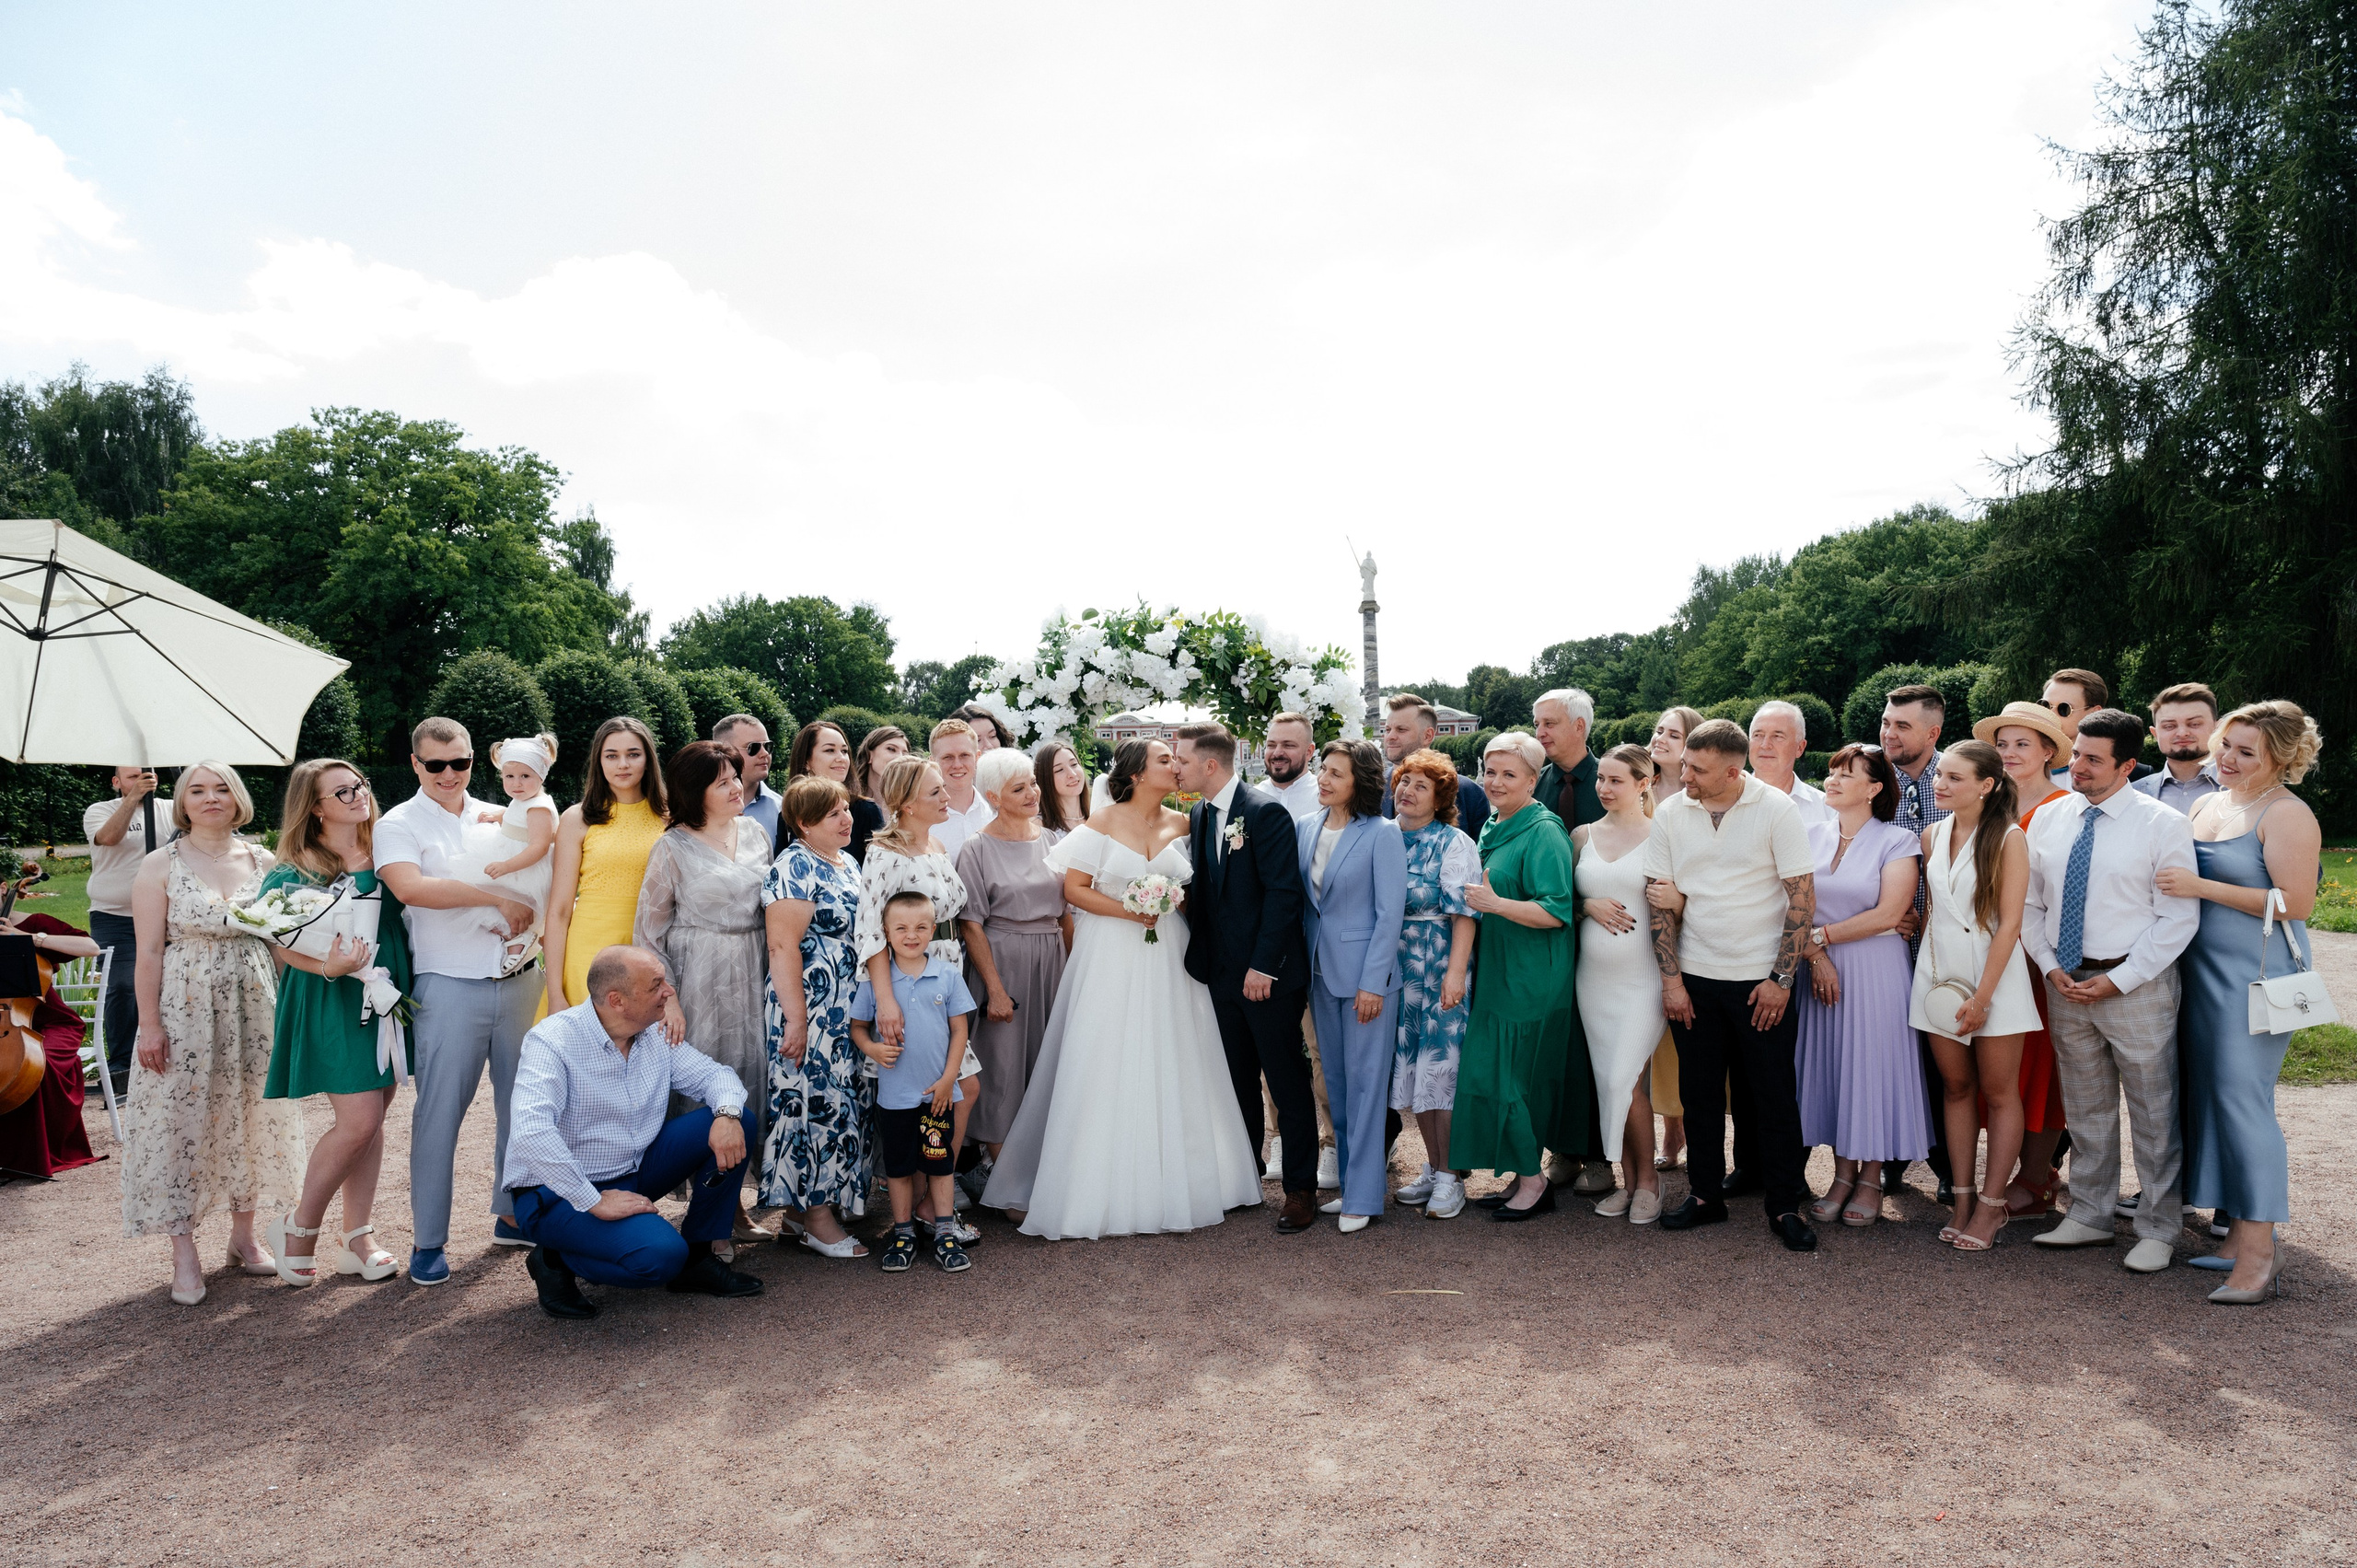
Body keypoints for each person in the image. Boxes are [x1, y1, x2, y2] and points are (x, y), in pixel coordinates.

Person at [982, 738, 1262, 1237]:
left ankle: (1190, 1178)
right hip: (1112, 949)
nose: (1175, 767)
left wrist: (1170, 905)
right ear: (1135, 774)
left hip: (1172, 951)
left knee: (1178, 1053)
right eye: (1164, 761)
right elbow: (1074, 889)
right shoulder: (1102, 823)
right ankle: (1097, 1183)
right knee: (1108, 1055)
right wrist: (1131, 910)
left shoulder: (1186, 821)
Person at [119, 763, 303, 1306]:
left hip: (255, 1004)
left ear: (238, 797)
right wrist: (149, 1025)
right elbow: (148, 951)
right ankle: (184, 1251)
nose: (210, 798)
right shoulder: (159, 865)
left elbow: (281, 942)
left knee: (249, 1111)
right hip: (184, 1008)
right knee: (181, 1119)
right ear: (182, 803)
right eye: (197, 790)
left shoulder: (265, 860)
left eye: (222, 788)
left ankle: (243, 1237)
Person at [2157, 701, 2323, 1304]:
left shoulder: (2288, 814)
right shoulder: (2207, 804)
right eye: (2226, 743)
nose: (2226, 757)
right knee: (2210, 1099)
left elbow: (2296, 902)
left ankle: (2258, 1254)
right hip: (2199, 973)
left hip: (2254, 977)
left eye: (2245, 751)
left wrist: (2201, 886)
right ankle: (2231, 1242)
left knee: (2242, 1103)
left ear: (2280, 758)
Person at [2023, 708, 2200, 1274]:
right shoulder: (2051, 819)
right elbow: (2032, 905)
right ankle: (2091, 1214)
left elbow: (2178, 920)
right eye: (2075, 754)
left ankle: (2158, 1226)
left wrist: (2118, 980)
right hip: (2067, 981)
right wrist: (2051, 968)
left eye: (2093, 760)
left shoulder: (2162, 824)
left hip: (2136, 983)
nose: (2077, 766)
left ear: (2127, 765)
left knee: (2153, 1107)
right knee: (2086, 1104)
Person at [375, 717, 548, 1284]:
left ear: (478, 761)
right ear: (415, 764)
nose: (450, 775)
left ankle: (511, 1211)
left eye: (462, 763)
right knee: (439, 1114)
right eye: (436, 765)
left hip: (519, 977)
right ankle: (429, 1241)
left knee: (521, 1107)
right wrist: (497, 896)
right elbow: (411, 888)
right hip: (448, 984)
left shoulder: (501, 812)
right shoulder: (399, 822)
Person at [503, 946, 763, 1318]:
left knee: (737, 1120)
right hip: (557, 1194)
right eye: (656, 985)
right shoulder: (553, 1041)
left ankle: (698, 1257)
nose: (669, 992)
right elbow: (531, 1132)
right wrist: (592, 1200)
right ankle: (554, 1259)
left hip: (632, 1171)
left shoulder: (652, 1034)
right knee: (659, 1257)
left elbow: (714, 1075)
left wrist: (726, 1113)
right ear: (617, 1000)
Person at [1644, 718, 1818, 1250]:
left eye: (1697, 769)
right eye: (1685, 765)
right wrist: (1672, 981)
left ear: (1732, 769)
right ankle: (1703, 1196)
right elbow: (1659, 898)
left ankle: (1784, 1204)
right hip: (1695, 978)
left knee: (1773, 1097)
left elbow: (1801, 899)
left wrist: (1781, 980)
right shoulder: (1672, 811)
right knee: (1698, 1093)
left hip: (1760, 982)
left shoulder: (1776, 809)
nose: (1684, 774)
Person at [257, 759, 412, 1286]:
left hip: (386, 988)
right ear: (315, 807)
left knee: (373, 1116)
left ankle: (357, 1237)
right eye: (342, 792)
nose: (357, 796)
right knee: (359, 1120)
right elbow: (277, 937)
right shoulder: (294, 868)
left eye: (360, 785)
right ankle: (298, 1227)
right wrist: (329, 965)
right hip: (331, 993)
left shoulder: (386, 848)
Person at [1167, 722, 1320, 1227]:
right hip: (1220, 976)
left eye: (1182, 761)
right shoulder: (1199, 812)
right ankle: (1245, 1176)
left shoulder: (1264, 812)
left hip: (1267, 977)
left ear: (1210, 765)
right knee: (1235, 1082)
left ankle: (1301, 1190)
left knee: (1286, 1082)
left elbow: (1283, 894)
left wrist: (1263, 966)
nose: (1176, 768)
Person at [633, 739, 772, 1244]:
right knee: (706, 1092)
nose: (737, 787)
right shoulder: (672, 846)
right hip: (698, 977)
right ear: (696, 792)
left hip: (753, 967)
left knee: (752, 1080)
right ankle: (711, 1223)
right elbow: (648, 933)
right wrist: (666, 998)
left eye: (736, 777)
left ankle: (734, 1208)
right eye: (723, 782)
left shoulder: (757, 833)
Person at [1910, 741, 2038, 1251]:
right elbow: (1933, 913)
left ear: (1986, 785)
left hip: (1995, 981)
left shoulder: (2009, 838)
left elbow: (2010, 926)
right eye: (1941, 775)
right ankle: (1962, 1198)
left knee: (2000, 1093)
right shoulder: (1931, 835)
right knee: (1956, 1088)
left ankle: (1991, 1207)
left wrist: (1983, 998)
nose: (1940, 784)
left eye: (1954, 778)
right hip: (1938, 979)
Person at [1794, 744, 1927, 1228]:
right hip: (1818, 969)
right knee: (1831, 1069)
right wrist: (1815, 953)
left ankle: (1871, 1177)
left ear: (1874, 788)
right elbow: (1789, 904)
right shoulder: (1808, 834)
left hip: (1875, 971)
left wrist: (1820, 935)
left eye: (1846, 774)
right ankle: (1841, 1174)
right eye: (1831, 772)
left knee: (1870, 1069)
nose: (1832, 780)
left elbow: (1891, 914)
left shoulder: (1897, 839)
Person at [1453, 732, 1582, 1222]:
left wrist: (1496, 905)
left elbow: (1557, 910)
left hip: (1531, 974)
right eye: (1490, 770)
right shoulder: (1492, 824)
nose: (1496, 781)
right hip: (1497, 969)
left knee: (1508, 1078)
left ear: (1533, 780)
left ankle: (1534, 1182)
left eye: (1510, 774)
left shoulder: (1544, 831)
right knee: (1496, 1074)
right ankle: (1520, 1171)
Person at [855, 755, 979, 1237]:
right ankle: (927, 1206)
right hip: (908, 982)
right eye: (934, 792)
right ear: (905, 803)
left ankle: (932, 1204)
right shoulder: (885, 854)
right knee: (957, 1088)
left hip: (946, 969)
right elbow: (871, 932)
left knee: (954, 1088)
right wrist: (885, 1000)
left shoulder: (938, 846)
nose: (946, 796)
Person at [1295, 739, 1406, 1233]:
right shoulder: (1306, 827)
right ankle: (1348, 1184)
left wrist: (1374, 982)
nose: (1323, 779)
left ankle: (1364, 1196)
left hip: (1366, 980)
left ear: (1359, 782)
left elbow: (1390, 914)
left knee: (1365, 1087)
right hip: (1318, 974)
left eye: (1335, 774)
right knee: (1336, 1085)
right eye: (1323, 770)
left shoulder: (1382, 833)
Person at [758, 775, 871, 1259]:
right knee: (813, 1103)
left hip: (846, 1005)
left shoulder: (844, 860)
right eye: (834, 814)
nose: (847, 819)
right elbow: (782, 946)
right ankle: (817, 1218)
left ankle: (799, 1213)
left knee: (845, 1102)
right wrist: (797, 1021)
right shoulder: (795, 865)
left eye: (846, 809)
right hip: (810, 1004)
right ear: (804, 823)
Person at [1972, 700, 2076, 1218]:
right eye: (2002, 744)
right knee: (1993, 1070)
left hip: (2036, 955)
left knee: (2040, 1067)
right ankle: (1996, 1173)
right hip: (1983, 950)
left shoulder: (2066, 806)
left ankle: (2036, 1176)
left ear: (2049, 751)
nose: (2009, 754)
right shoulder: (1986, 803)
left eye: (2022, 744)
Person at [955, 749, 1073, 1196]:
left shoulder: (1052, 841)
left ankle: (1042, 1175)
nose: (1032, 793)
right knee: (1002, 1073)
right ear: (993, 796)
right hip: (1002, 963)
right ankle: (1008, 1187)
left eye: (1033, 784)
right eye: (1018, 788)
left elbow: (1066, 915)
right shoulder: (976, 848)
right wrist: (995, 991)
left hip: (1051, 962)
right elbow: (971, 924)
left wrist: (1073, 972)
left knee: (1046, 1065)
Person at [852, 892, 979, 1273]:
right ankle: (903, 1231)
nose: (912, 935)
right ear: (886, 933)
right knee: (900, 1168)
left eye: (921, 927)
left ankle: (944, 1233)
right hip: (895, 1097)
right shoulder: (876, 982)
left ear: (933, 930)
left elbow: (960, 1032)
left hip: (939, 1096)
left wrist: (947, 1080)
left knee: (941, 1166)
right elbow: (858, 1028)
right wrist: (872, 1049)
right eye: (901, 928)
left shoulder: (947, 975)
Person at [1572, 744, 1666, 1222]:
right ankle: (1629, 1184)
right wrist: (1586, 905)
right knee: (1610, 1082)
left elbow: (1680, 905)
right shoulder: (1582, 835)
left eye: (1617, 781)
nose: (1604, 789)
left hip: (1643, 978)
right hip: (1592, 981)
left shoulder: (1663, 835)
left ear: (1644, 783)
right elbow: (1562, 898)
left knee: (1626, 1079)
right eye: (1601, 779)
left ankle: (1649, 1182)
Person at [1386, 749, 1480, 1220]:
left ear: (1440, 797)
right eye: (1405, 781)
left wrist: (1456, 973)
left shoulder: (1453, 842)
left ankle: (1451, 1177)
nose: (1408, 791)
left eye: (1421, 785)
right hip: (1395, 968)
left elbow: (1464, 912)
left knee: (1442, 1071)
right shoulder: (1384, 837)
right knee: (1412, 1072)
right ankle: (1434, 1164)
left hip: (1439, 959)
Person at [544, 716, 670, 1017]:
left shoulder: (670, 817)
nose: (623, 764)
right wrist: (554, 994)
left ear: (648, 759)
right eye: (611, 756)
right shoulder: (577, 818)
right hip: (588, 951)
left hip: (651, 947)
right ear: (598, 761)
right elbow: (560, 911)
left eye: (633, 754)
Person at [1880, 681, 1951, 1197]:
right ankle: (1891, 1158)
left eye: (1902, 725)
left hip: (1945, 944)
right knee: (1889, 1052)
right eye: (1886, 722)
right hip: (1883, 946)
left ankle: (1950, 1171)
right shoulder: (1871, 778)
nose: (1889, 733)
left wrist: (1921, 912)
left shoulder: (1958, 779)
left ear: (1933, 731)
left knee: (1941, 1060)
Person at [0, 909, 104, 1179]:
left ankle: (34, 1155)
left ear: (2, 889)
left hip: (53, 1024)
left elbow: (90, 947)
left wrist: (29, 938)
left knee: (36, 1061)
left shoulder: (32, 923)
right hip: (6, 1025)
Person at [1644, 707, 1704, 1168]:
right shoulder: (1636, 786)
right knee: (1657, 1039)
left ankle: (1692, 1129)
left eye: (1674, 733)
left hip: (1694, 928)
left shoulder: (1700, 795)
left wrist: (1681, 900)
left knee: (1691, 1033)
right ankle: (1670, 1129)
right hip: (1641, 928)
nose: (1661, 738)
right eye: (1659, 731)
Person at [85, 763, 164, 1090]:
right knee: (121, 986)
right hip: (114, 916)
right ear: (117, 782)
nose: (144, 780)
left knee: (167, 986)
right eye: (133, 776)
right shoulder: (99, 811)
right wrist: (132, 800)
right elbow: (108, 838)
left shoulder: (172, 810)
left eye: (147, 774)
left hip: (162, 915)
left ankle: (161, 1059)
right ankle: (119, 1069)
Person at [465, 734, 561, 974]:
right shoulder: (525, 800)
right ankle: (512, 938)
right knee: (485, 890)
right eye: (509, 777)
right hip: (513, 854)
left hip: (526, 866)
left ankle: (518, 941)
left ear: (541, 775)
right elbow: (515, 814)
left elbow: (538, 846)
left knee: (518, 901)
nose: (516, 783)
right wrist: (498, 817)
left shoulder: (539, 807)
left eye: (525, 776)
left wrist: (507, 866)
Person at [1381, 692, 1490, 840]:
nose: (1390, 736)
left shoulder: (1470, 793)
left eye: (1401, 730)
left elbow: (1481, 856)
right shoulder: (1371, 788)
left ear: (1428, 736)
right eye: (1387, 730)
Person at [784, 719, 881, 863]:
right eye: (830, 750)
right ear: (806, 761)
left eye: (844, 751)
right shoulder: (788, 814)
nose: (841, 758)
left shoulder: (866, 811)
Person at [2135, 682, 2223, 813]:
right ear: (2155, 734)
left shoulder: (2246, 788)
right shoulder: (2134, 793)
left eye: (2194, 724)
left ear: (2218, 728)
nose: (2182, 733)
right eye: (2169, 726)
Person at [1748, 701, 1830, 826]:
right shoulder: (1721, 803)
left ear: (1800, 748)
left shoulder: (1827, 810)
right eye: (1758, 735)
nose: (1765, 745)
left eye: (1778, 736)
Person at [714, 713, 783, 853]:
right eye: (753, 747)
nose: (765, 754)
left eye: (768, 746)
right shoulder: (699, 807)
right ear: (724, 751)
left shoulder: (783, 809)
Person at [928, 718, 994, 862]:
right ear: (933, 762)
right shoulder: (923, 822)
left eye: (964, 755)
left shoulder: (996, 810)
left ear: (977, 757)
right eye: (948, 757)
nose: (957, 765)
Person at [1260, 712, 1323, 821]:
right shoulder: (1252, 797)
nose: (1277, 753)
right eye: (1271, 745)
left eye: (1288, 745)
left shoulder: (1324, 798)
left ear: (1309, 752)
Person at [1036, 740, 1093, 842]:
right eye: (1059, 770)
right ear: (1045, 779)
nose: (1072, 774)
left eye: (1074, 764)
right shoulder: (1039, 827)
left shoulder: (1098, 817)